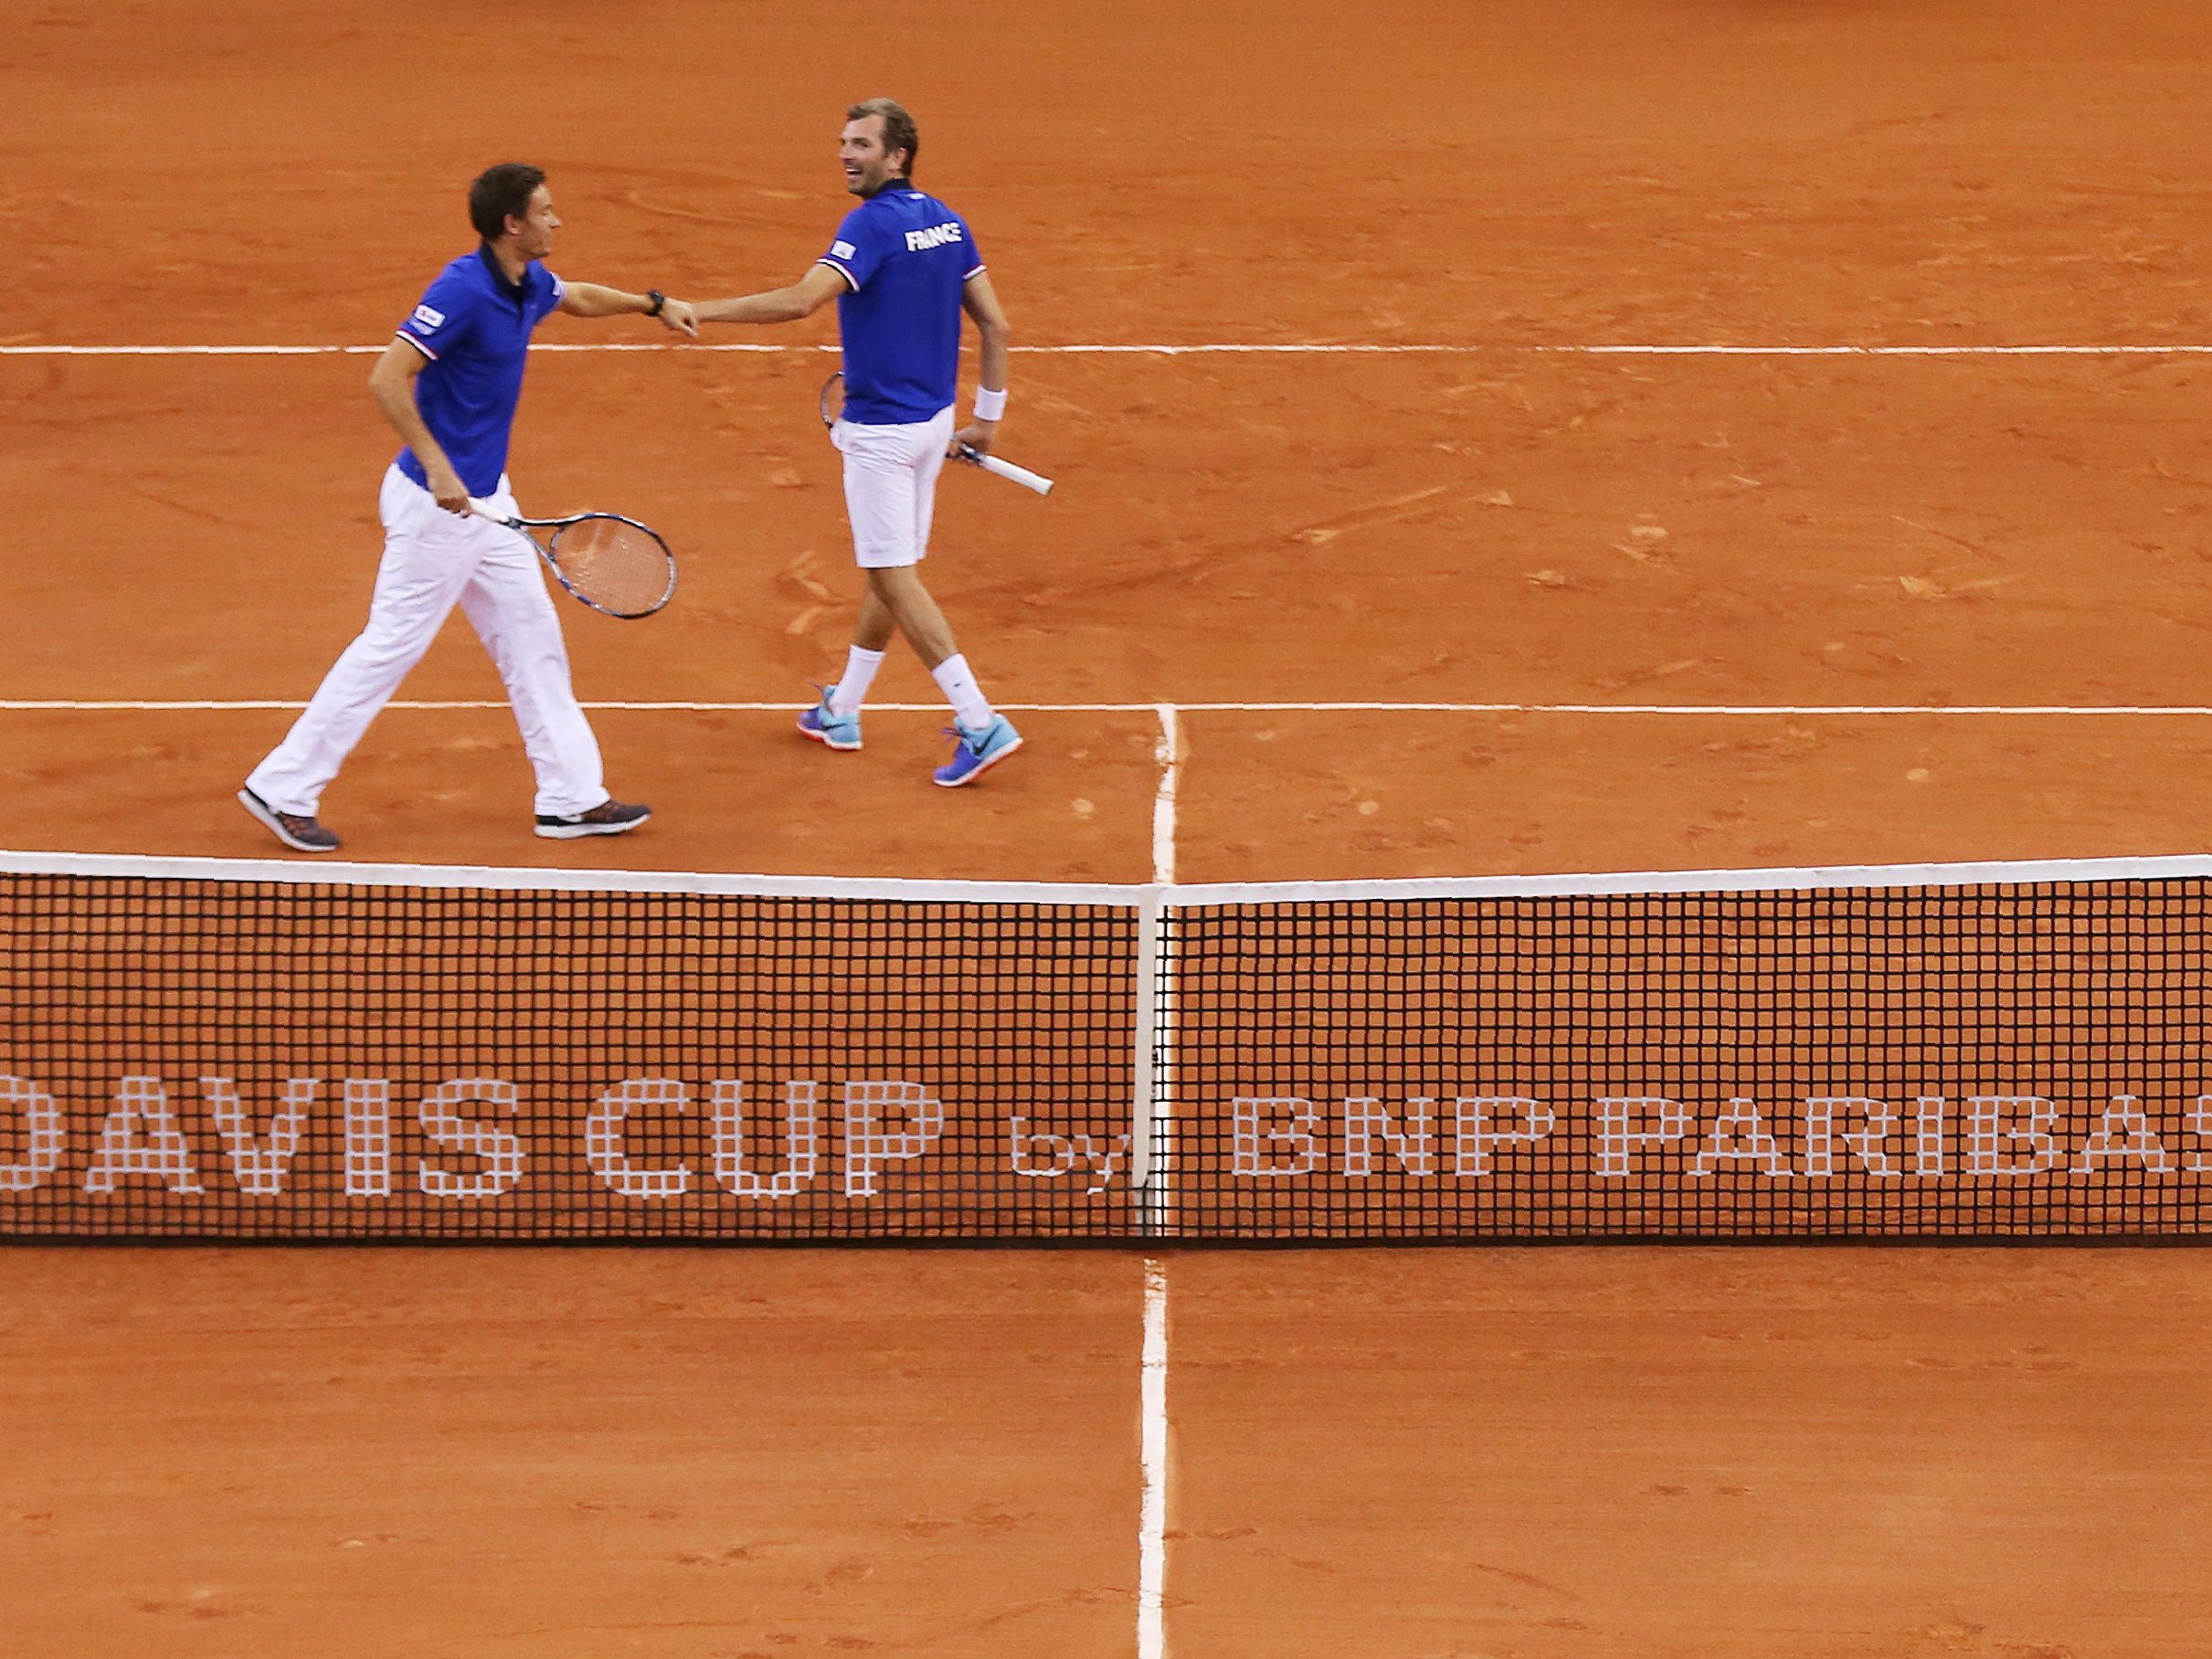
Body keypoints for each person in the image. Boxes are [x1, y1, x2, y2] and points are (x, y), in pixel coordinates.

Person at [238, 164, 697, 852]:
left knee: (533, 639)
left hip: (488, 503)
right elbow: (387, 377)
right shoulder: (461, 291)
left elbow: (578, 298)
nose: (556, 220)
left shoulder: (527, 282)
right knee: (391, 646)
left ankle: (571, 798)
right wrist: (439, 465)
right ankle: (283, 786)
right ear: (512, 224)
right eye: (545, 211)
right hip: (438, 508)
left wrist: (652, 303)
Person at [693, 98, 1021, 787]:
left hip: (880, 436)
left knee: (893, 576)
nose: (846, 153)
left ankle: (978, 719)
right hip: (934, 423)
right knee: (889, 570)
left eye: (862, 144)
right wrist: (985, 420)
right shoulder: (948, 223)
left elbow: (800, 300)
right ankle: (842, 708)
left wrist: (701, 309)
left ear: (897, 156)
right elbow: (995, 325)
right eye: (843, 142)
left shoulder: (867, 225)